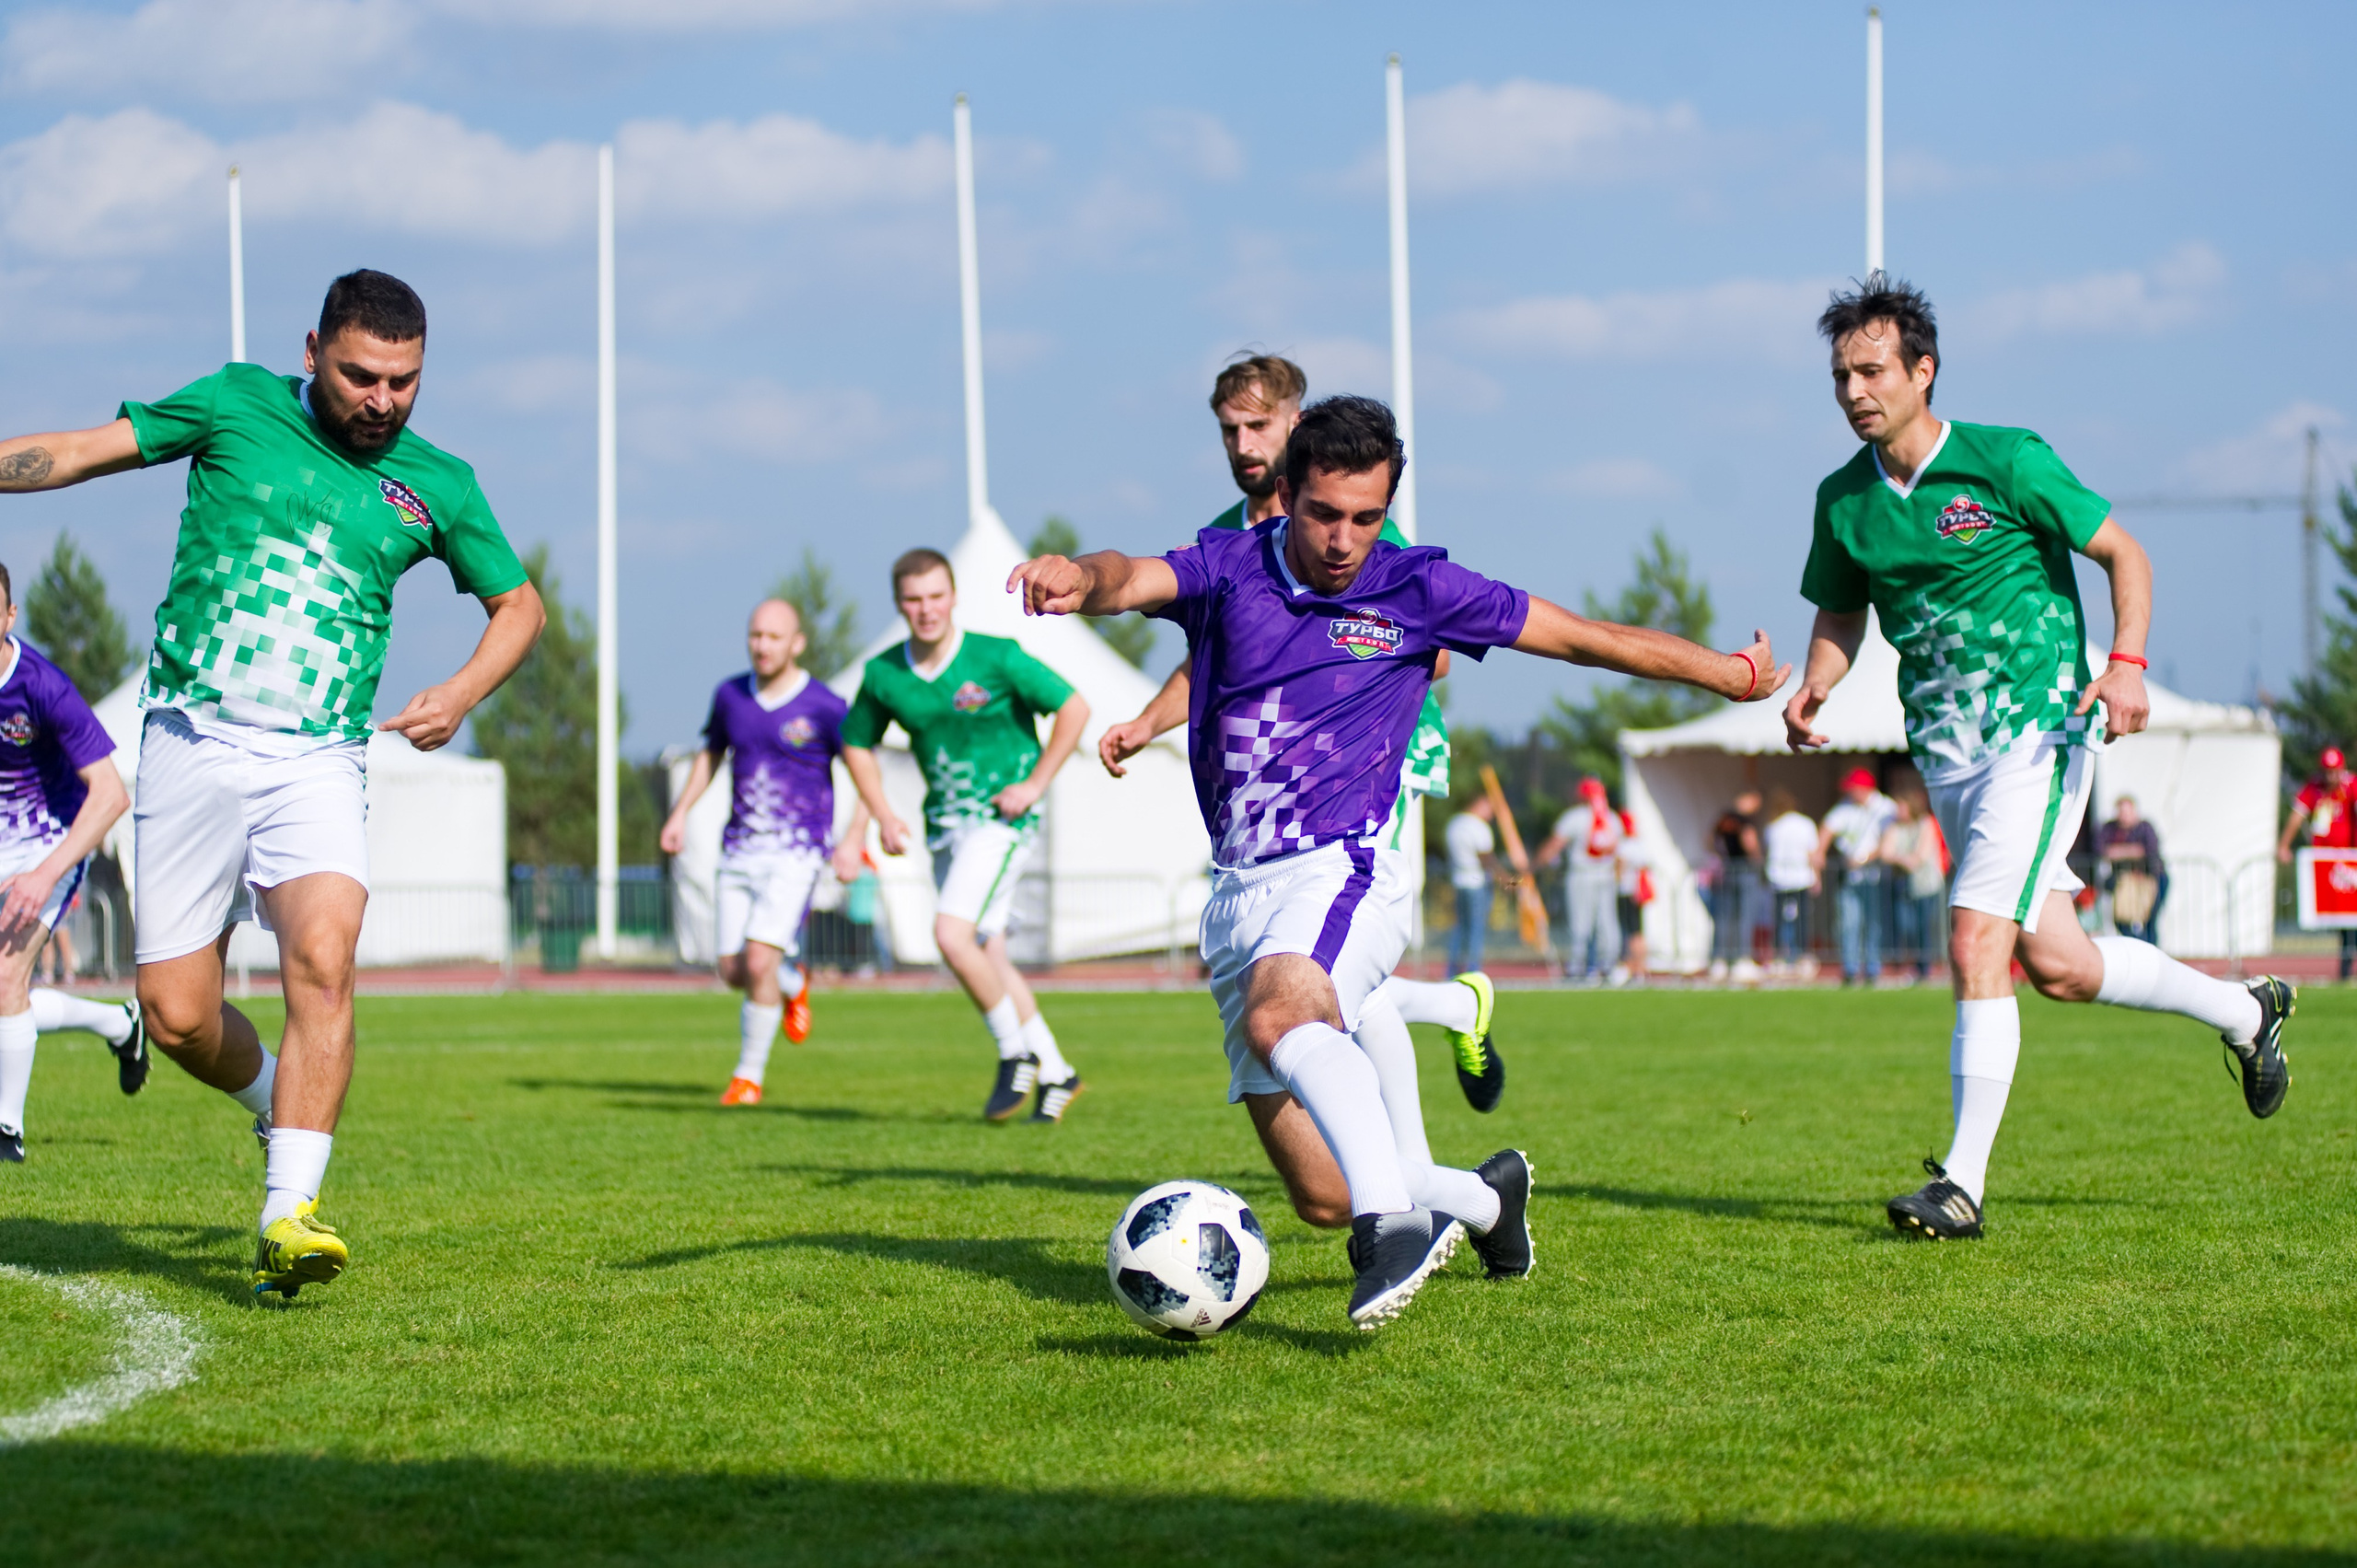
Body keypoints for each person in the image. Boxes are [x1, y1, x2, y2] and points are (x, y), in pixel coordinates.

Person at [1010, 394, 1786, 1327]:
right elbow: (1126, 574)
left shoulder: (1419, 588)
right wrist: (1075, 576)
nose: (1344, 539)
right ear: (1287, 494)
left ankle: (1393, 1231)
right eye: (1324, 513)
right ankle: (1489, 1201)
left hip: (1342, 867)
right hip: (1238, 895)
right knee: (1322, 1190)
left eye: (1366, 517)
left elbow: (1585, 638)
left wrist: (1727, 673)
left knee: (1283, 1019)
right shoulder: (1227, 568)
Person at [0, 271, 543, 1293]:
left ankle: (291, 1209)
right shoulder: (234, 402)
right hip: (190, 741)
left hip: (318, 756)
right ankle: (269, 1102)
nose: (383, 399)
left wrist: (461, 692)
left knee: (326, 958)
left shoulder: (441, 482)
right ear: (311, 351)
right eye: (361, 375)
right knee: (176, 1015)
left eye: (404, 381)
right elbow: (78, 452)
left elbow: (519, 607)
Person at [1785, 272, 2291, 1242]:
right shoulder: (1843, 500)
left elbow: (2124, 553)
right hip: (1944, 752)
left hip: (2038, 730)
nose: (1855, 390)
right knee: (2058, 962)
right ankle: (2242, 1010)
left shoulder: (2006, 460)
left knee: (1975, 935)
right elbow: (1841, 607)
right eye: (1841, 374)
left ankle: (1960, 1183)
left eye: (1873, 369)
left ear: (1923, 371)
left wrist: (2128, 663)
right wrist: (1816, 684)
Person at [1097, 354, 1507, 1111]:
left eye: (1259, 426)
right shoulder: (1226, 538)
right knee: (1310, 966)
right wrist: (1149, 723)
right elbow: (1220, 664)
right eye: (1230, 430)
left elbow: (1434, 650)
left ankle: (1396, 1179)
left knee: (1328, 960)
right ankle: (1450, 1022)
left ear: (1295, 426)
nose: (1244, 444)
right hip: (1272, 773)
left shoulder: (1345, 513)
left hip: (1376, 759)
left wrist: (1337, 669)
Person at [841, 549, 1090, 1122]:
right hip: (944, 828)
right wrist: (881, 812)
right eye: (913, 599)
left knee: (951, 937)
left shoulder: (995, 657)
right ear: (899, 604)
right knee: (987, 953)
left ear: (952, 596)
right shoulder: (884, 675)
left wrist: (1033, 784)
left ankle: (1014, 1054)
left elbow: (1074, 708)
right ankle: (1057, 1072)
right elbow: (855, 742)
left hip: (1003, 822)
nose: (926, 610)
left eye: (935, 596)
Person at [661, 598, 868, 1106]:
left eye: (774, 637)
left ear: (796, 643)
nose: (762, 645)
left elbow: (865, 771)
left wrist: (855, 836)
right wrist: (680, 812)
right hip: (739, 852)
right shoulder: (730, 696)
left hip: (796, 854)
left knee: (757, 961)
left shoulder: (825, 705)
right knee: (732, 970)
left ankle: (747, 1077)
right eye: (756, 635)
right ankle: (793, 982)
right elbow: (710, 756)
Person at [0, 565, 145, 1162]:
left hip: (49, 844)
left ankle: (5, 1127)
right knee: (8, 994)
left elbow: (111, 793)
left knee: (5, 976)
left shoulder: (41, 685)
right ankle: (120, 1025)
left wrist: (41, 874)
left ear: (9, 617)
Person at [2277, 747, 2354, 980]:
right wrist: (2284, 845)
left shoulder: (2351, 786)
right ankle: (2345, 969)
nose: (2331, 776)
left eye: (2335, 771)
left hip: (2349, 862)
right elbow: (2297, 814)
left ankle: (2346, 967)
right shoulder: (2314, 787)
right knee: (2342, 920)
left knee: (2351, 920)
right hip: (2325, 864)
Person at [1536, 777, 1621, 984]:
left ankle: (1577, 965)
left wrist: (1533, 866)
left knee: (1580, 922)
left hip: (1582, 875)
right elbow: (1618, 851)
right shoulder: (1613, 818)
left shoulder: (1575, 817)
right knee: (1607, 921)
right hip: (1606, 875)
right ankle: (1607, 965)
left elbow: (1555, 845)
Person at [1819, 767, 1896, 986]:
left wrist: (1865, 859)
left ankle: (1873, 968)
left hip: (1875, 876)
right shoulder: (1845, 808)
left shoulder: (1886, 808)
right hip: (1850, 877)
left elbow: (1888, 841)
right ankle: (1850, 968)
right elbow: (1828, 827)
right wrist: (1820, 853)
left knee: (1874, 924)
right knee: (1848, 922)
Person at [1879, 791, 1946, 980]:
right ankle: (1905, 965)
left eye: (1902, 806)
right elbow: (1885, 853)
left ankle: (1923, 968)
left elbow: (1920, 858)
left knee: (1923, 927)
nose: (1898, 811)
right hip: (1903, 884)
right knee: (1904, 925)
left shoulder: (1926, 824)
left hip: (1926, 885)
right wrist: (1903, 859)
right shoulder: (1894, 826)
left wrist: (1899, 857)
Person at [1759, 788, 1819, 973]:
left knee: (1778, 918)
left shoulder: (1773, 826)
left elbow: (1767, 851)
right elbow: (1812, 853)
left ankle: (1779, 956)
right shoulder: (1805, 824)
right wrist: (1816, 876)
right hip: (1801, 877)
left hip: (1779, 877)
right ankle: (1801, 955)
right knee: (1801, 920)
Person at [1707, 789, 1764, 981]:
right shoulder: (1744, 821)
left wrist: (1722, 856)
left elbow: (1709, 840)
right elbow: (1750, 842)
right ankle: (1742, 958)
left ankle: (1720, 960)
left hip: (1728, 870)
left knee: (1724, 917)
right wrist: (1758, 860)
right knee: (1744, 916)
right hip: (1745, 870)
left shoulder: (1724, 819)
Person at [1444, 795, 1501, 977]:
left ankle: (1453, 970)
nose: (1491, 815)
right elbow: (1486, 858)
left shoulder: (1454, 823)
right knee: (1476, 929)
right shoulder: (1477, 826)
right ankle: (1472, 970)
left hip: (1459, 880)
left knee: (1461, 928)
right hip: (1476, 881)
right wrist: (1506, 879)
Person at [2097, 794, 2165, 944]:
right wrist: (2132, 851)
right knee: (2121, 919)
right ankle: (2139, 946)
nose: (2124, 816)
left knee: (2150, 921)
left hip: (2151, 879)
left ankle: (2149, 951)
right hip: (2125, 882)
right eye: (2121, 811)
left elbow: (2149, 850)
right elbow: (2100, 849)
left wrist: (2118, 852)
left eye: (2127, 811)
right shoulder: (2110, 829)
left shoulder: (2145, 827)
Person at [1611, 805, 1653, 985]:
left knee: (1631, 932)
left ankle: (1633, 966)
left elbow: (1619, 870)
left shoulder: (1624, 847)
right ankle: (1640, 967)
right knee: (1638, 931)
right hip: (1637, 893)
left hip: (1626, 892)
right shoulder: (1640, 845)